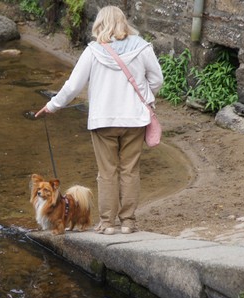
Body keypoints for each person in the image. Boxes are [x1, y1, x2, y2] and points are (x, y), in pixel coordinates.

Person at [35, 5, 164, 234]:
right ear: (123, 23)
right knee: (130, 171)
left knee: (107, 172)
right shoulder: (143, 47)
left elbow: (73, 86)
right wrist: (144, 96)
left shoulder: (93, 51)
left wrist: (52, 105)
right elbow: (157, 80)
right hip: (134, 120)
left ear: (99, 24)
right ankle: (128, 222)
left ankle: (107, 223)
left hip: (103, 121)